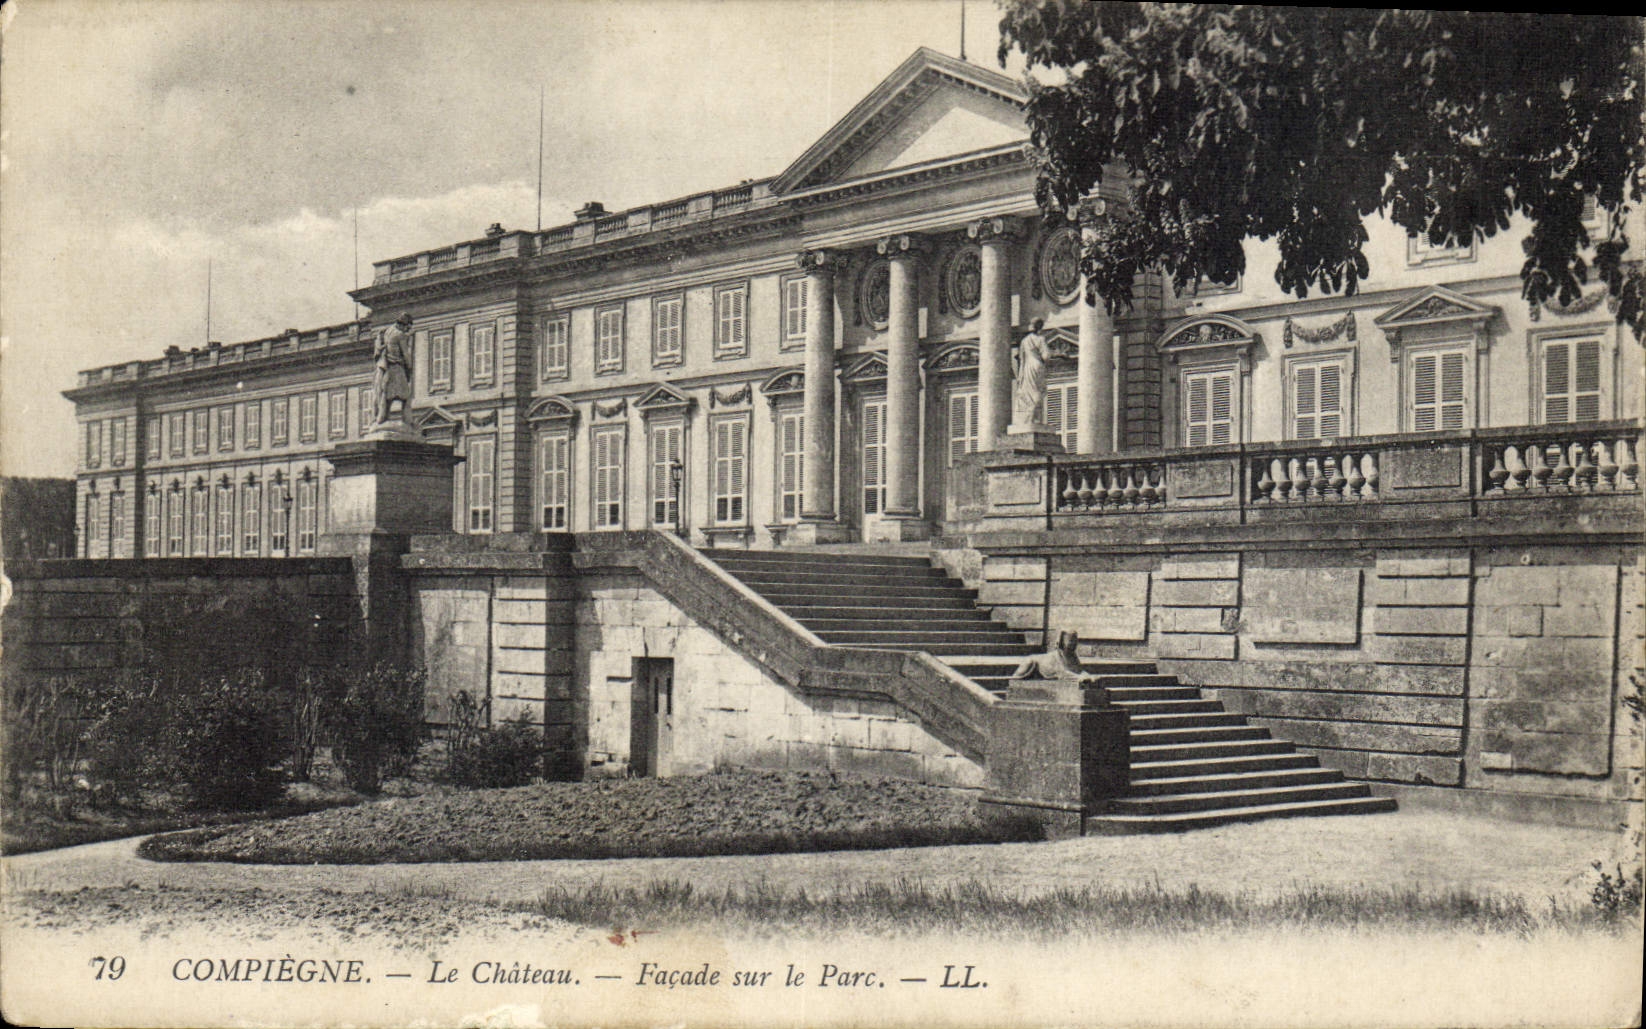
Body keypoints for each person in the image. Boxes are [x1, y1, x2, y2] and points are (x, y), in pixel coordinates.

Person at [374, 314, 414, 426]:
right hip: (397, 368)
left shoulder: (388, 331)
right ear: (403, 325)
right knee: (406, 396)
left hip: (387, 368)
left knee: (387, 396)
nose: (407, 330)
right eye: (407, 327)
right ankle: (408, 421)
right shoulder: (400, 335)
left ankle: (382, 418)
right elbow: (406, 354)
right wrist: (410, 367)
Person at [1011, 317, 1049, 425]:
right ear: (1040, 327)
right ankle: (1034, 418)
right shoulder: (1040, 339)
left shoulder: (1024, 341)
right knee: (1037, 391)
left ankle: (1026, 419)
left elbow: (1022, 359)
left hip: (1027, 367)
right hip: (1037, 366)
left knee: (1027, 392)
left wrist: (1020, 376)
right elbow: (1046, 356)